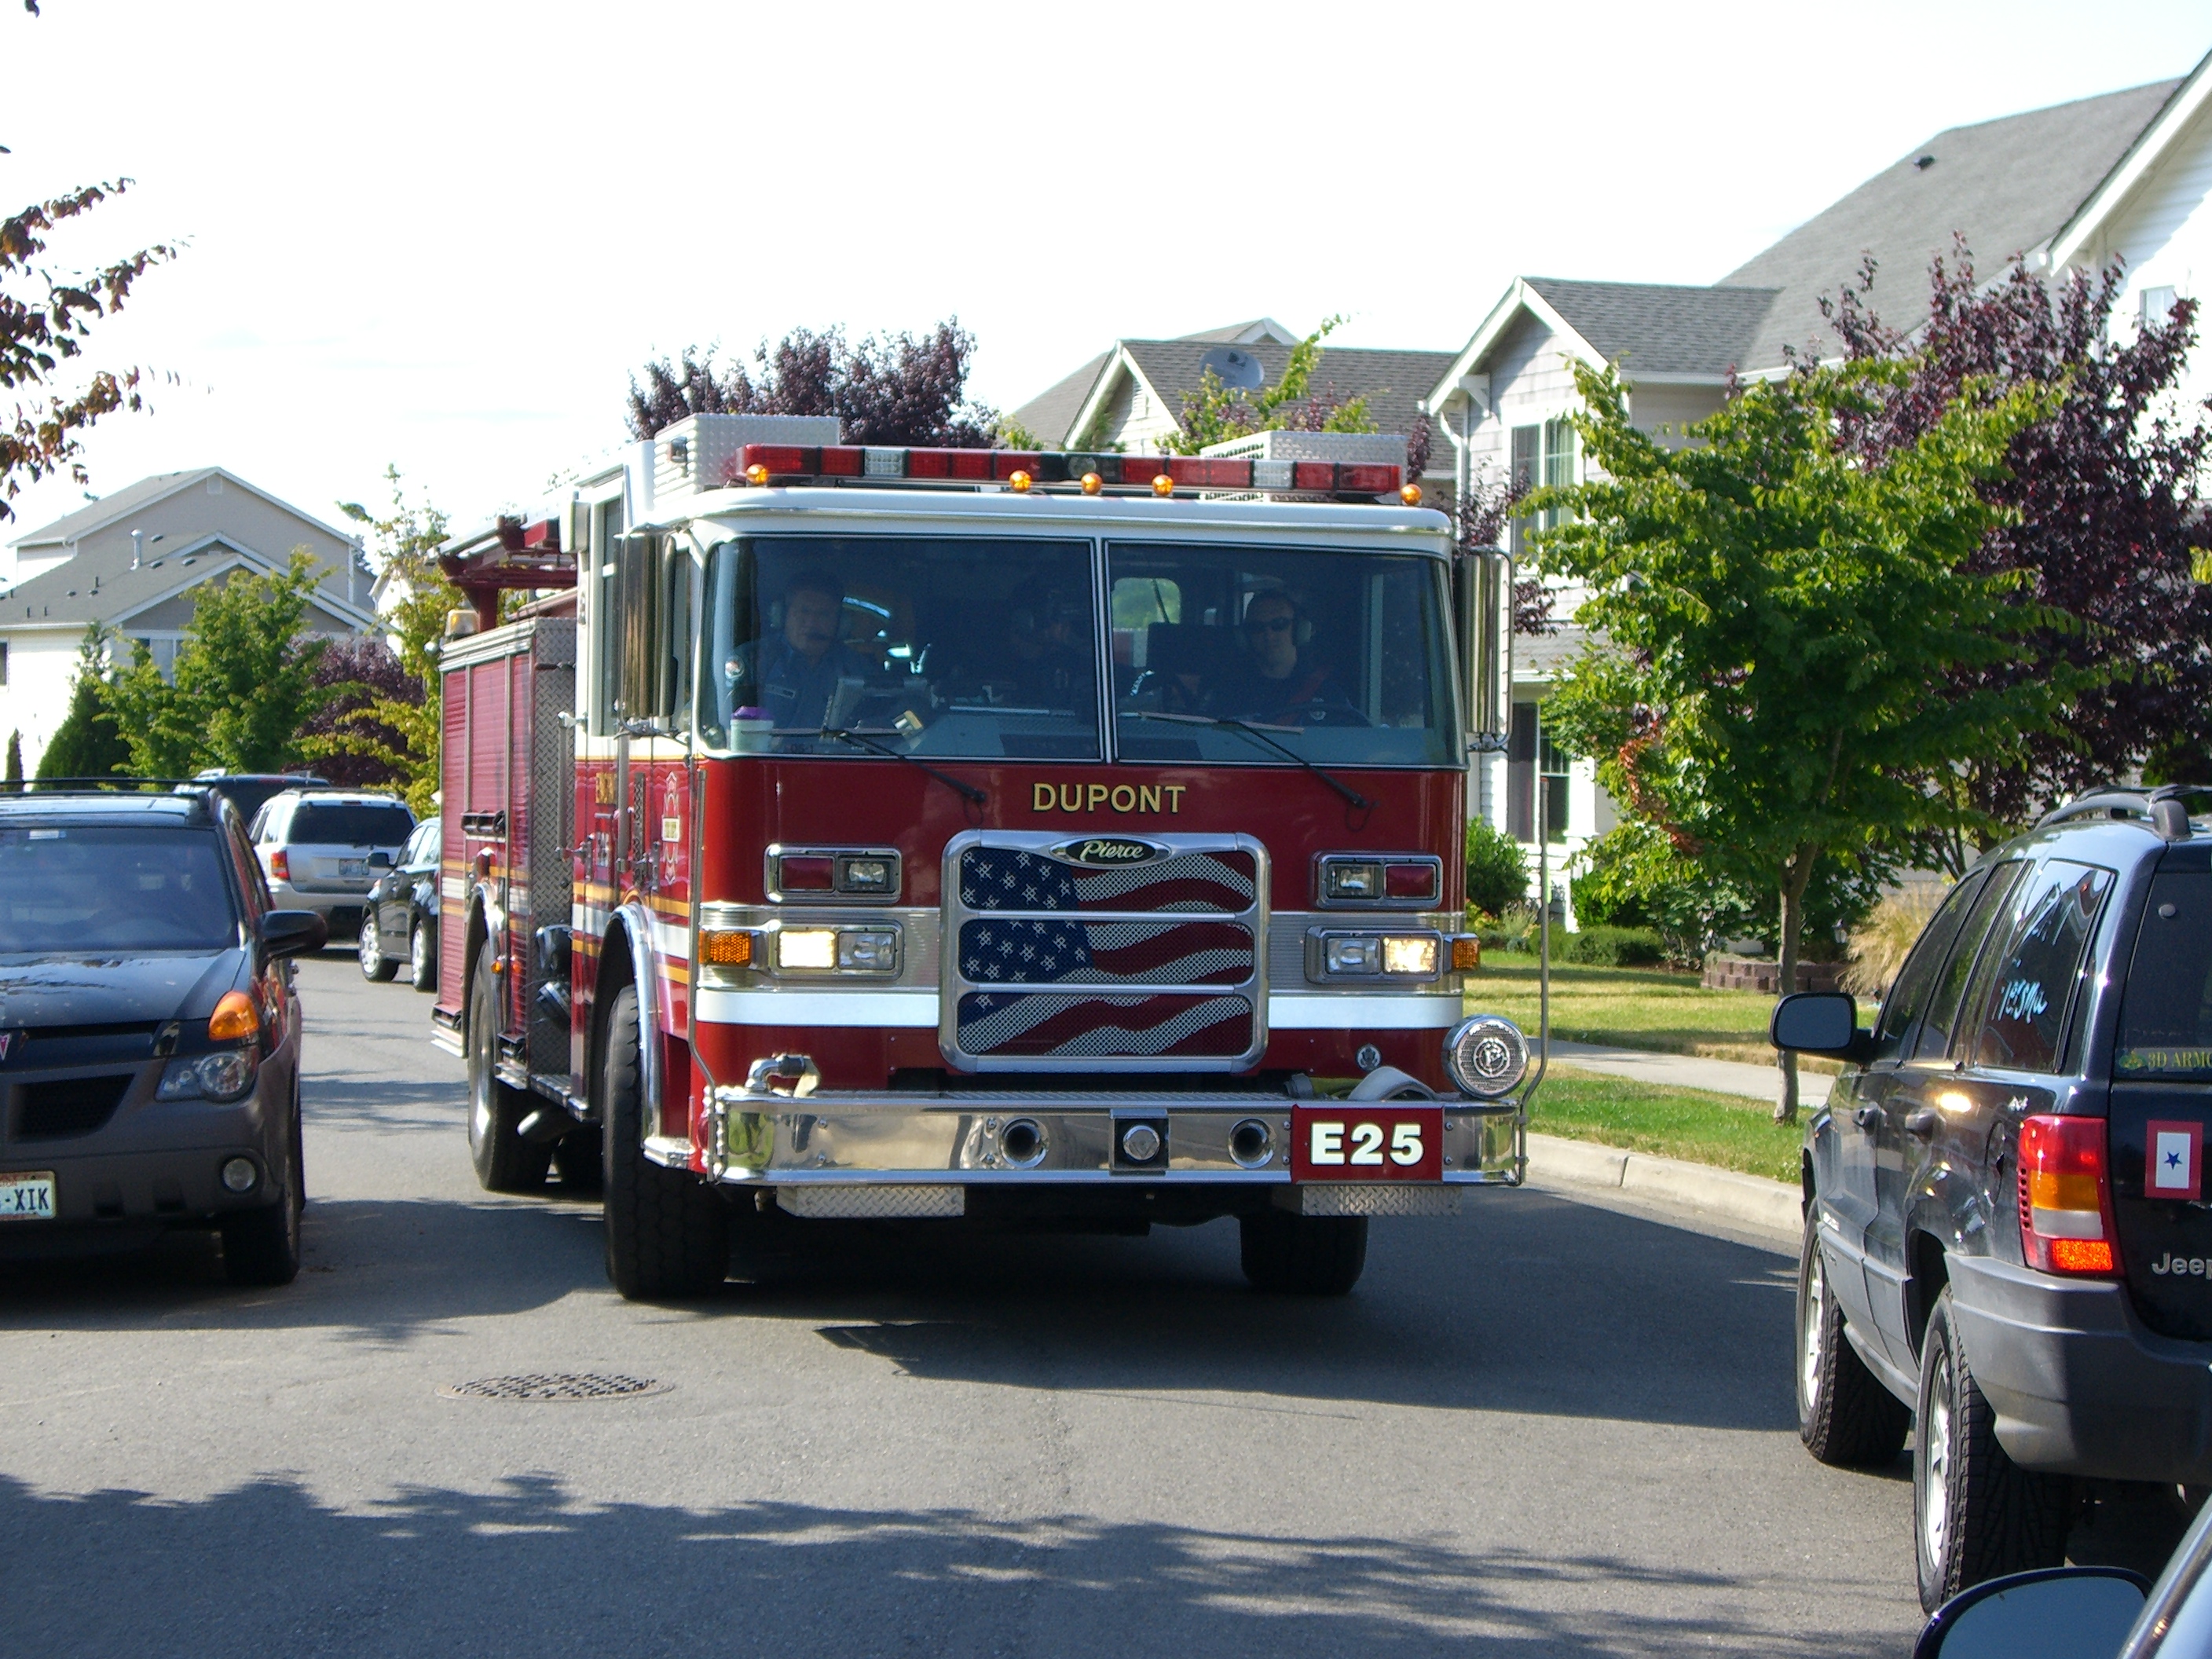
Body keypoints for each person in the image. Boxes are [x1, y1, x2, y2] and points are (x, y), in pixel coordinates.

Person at [723, 568, 882, 742]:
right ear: (783, 615)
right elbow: (717, 724)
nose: (812, 623)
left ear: (841, 622)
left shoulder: (859, 668)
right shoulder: (752, 660)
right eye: (804, 612)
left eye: (824, 615)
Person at [1208, 590, 1335, 723]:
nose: (1269, 635)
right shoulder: (1227, 694)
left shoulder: (1327, 693)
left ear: (1299, 629)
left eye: (1279, 624)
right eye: (1257, 627)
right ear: (1245, 637)